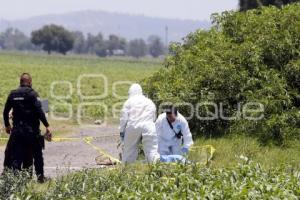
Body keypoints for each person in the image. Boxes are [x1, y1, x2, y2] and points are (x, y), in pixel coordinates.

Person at [3, 73, 51, 182]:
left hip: (17, 131)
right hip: (32, 131)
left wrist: (7, 125)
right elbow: (40, 111)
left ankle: (15, 180)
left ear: (20, 82)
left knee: (16, 156)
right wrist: (47, 125)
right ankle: (40, 178)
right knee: (37, 155)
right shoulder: (33, 94)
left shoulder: (13, 94)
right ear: (30, 82)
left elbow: (5, 112)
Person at [119, 83, 160, 164]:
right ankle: (157, 171)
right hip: (149, 126)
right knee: (152, 151)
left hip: (133, 127)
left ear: (130, 92)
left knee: (129, 151)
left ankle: (126, 173)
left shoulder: (128, 102)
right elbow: (154, 117)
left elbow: (123, 118)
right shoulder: (149, 102)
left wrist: (122, 132)